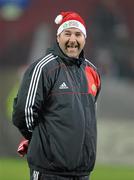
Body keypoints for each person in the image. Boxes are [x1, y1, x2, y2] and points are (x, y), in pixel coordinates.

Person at [12, 11, 101, 180]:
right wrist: (39, 138)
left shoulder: (92, 71)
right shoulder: (43, 68)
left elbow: (89, 115)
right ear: (58, 37)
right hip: (49, 171)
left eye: (78, 34)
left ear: (84, 39)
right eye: (67, 34)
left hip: (83, 172)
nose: (72, 40)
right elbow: (23, 113)